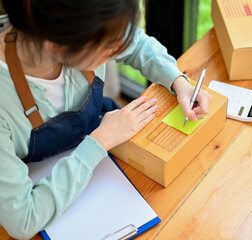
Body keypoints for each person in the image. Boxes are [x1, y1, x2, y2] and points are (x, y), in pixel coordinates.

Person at [0, 0, 211, 238]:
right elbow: (23, 220)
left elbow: (135, 44)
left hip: (109, 152)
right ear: (57, 47)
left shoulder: (79, 30)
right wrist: (99, 141)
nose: (117, 49)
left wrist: (178, 81)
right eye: (106, 48)